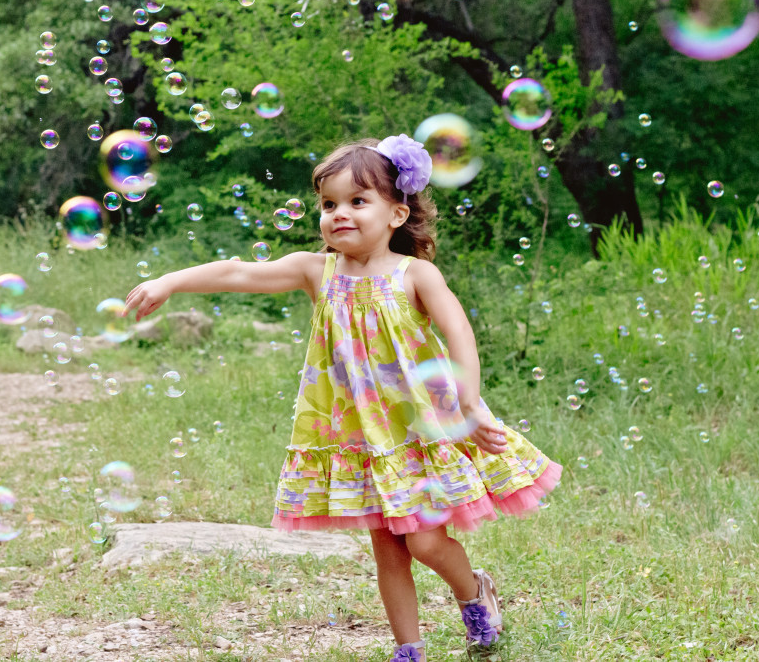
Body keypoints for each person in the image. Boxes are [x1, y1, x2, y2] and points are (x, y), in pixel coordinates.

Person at [122, 134, 561, 661]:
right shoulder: (317, 271)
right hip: (356, 435)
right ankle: (409, 650)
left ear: (397, 214)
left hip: (419, 428)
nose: (340, 214)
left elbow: (459, 334)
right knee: (389, 552)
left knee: (423, 542)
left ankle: (474, 593)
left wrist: (471, 403)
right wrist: (170, 281)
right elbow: (240, 271)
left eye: (358, 201)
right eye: (329, 204)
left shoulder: (416, 274)